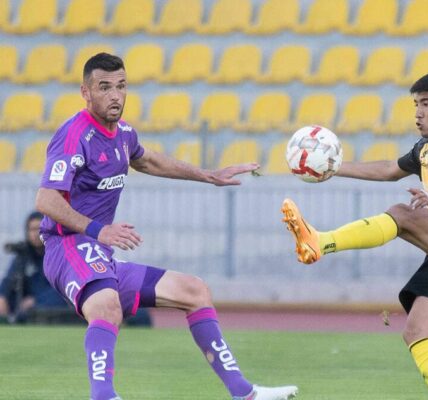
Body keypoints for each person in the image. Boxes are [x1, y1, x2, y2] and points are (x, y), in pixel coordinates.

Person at [34, 53, 297, 400]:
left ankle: (244, 393)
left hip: (98, 251)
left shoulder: (123, 134)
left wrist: (208, 175)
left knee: (194, 290)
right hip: (67, 246)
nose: (115, 95)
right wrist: (99, 230)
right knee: (106, 307)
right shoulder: (73, 135)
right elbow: (46, 200)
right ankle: (103, 396)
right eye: (104, 87)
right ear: (86, 92)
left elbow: (148, 159)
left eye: (121, 86)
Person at [281, 70, 428, 400]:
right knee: (417, 331)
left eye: (426, 103)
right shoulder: (426, 149)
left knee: (404, 215)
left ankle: (320, 242)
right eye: (416, 104)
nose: (417, 112)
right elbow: (390, 169)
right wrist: (330, 167)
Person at [0, 211, 68, 323]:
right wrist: (2, 296)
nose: (35, 234)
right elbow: (9, 279)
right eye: (31, 229)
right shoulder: (23, 255)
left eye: (38, 229)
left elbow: (63, 288)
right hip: (25, 311)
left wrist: (35, 301)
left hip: (52, 310)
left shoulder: (58, 254)